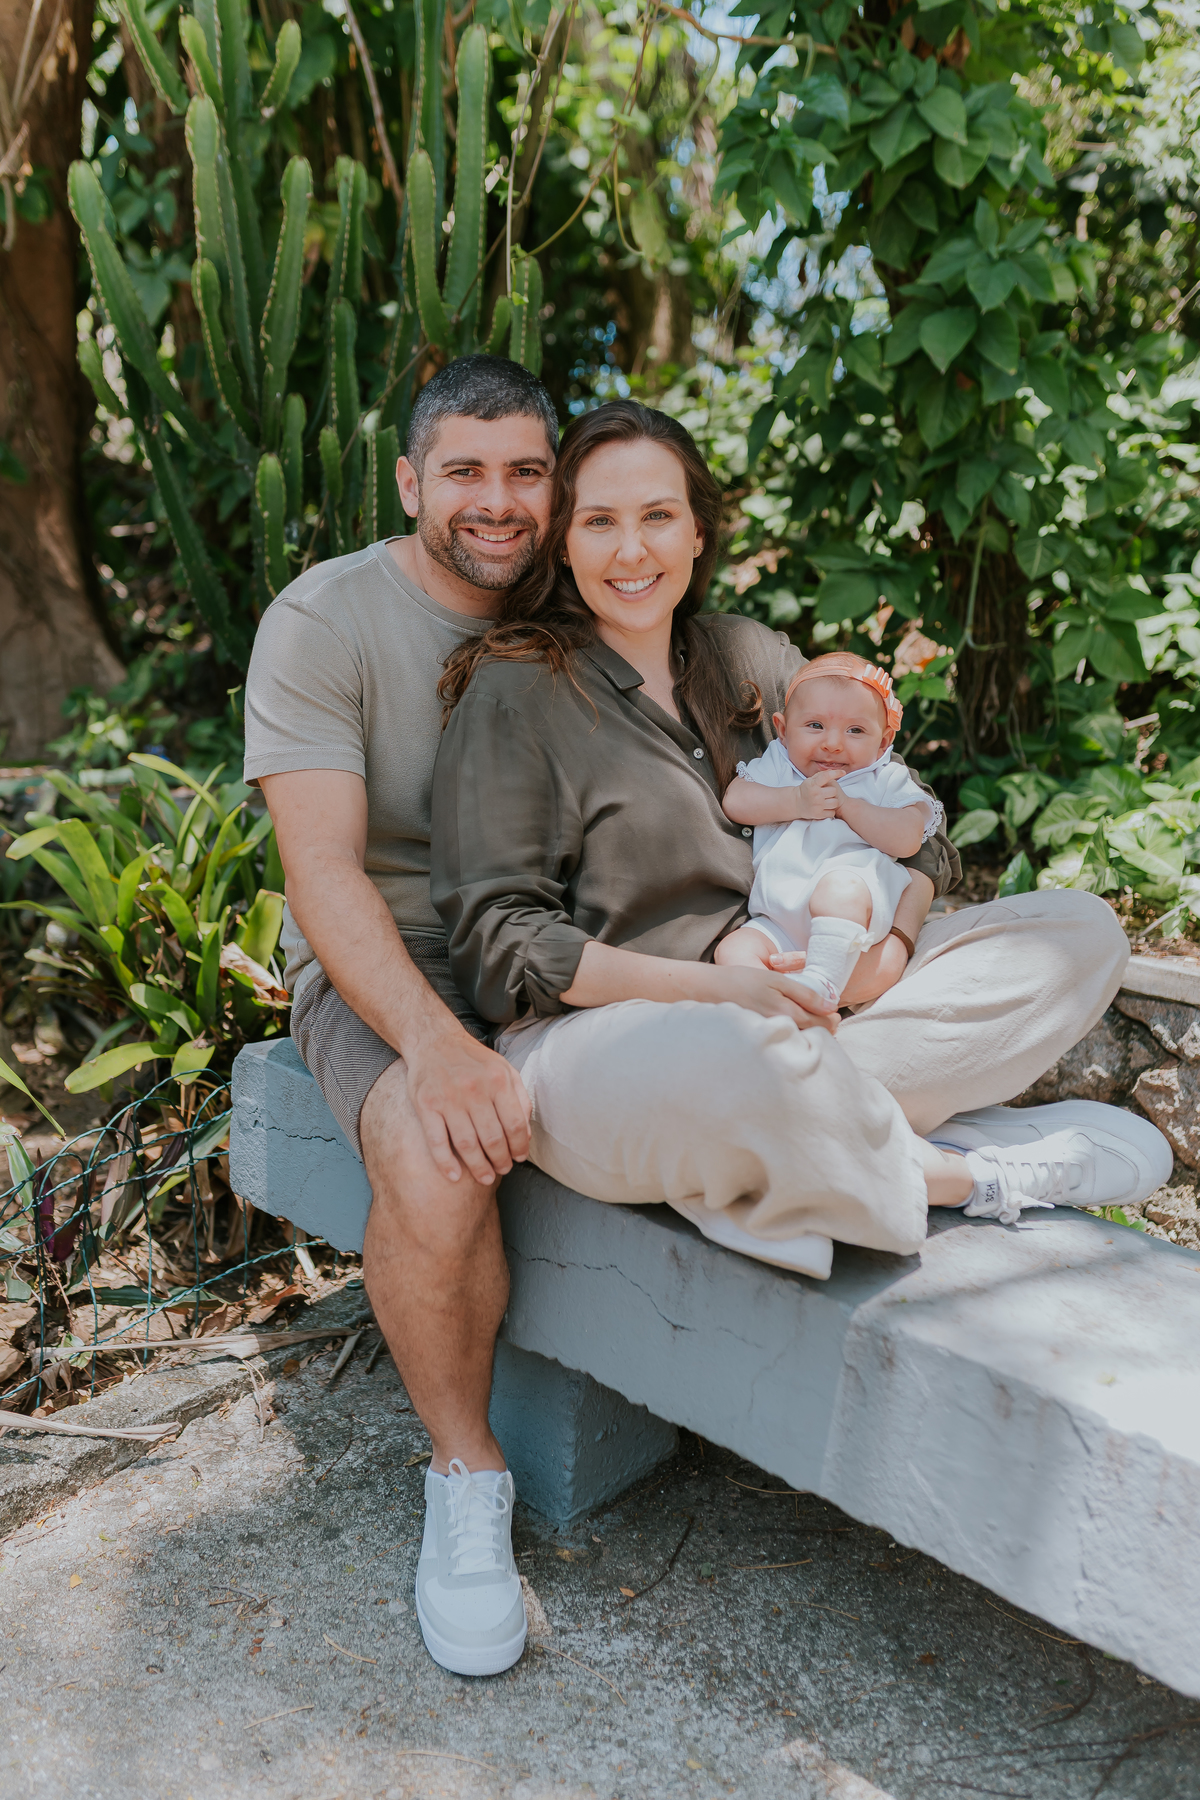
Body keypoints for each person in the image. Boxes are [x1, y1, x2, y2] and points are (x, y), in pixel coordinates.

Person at [247, 367, 1165, 1686]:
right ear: (412, 484)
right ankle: (469, 1472)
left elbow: (902, 814)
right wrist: (443, 1047)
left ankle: (781, 1149)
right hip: (461, 973)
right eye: (468, 475)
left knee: (1069, 928)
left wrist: (889, 933)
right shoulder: (389, 638)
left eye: (531, 477)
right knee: (442, 1144)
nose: (504, 503)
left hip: (766, 999)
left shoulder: (737, 663)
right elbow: (337, 880)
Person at [717, 651, 945, 1008]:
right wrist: (795, 801)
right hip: (777, 920)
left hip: (853, 914)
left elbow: (909, 837)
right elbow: (735, 801)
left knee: (838, 889)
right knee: (733, 950)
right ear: (782, 729)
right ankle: (768, 1006)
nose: (833, 743)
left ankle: (822, 985)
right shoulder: (780, 763)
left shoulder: (884, 777)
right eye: (815, 726)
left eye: (856, 730)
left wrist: (849, 808)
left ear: (884, 742)